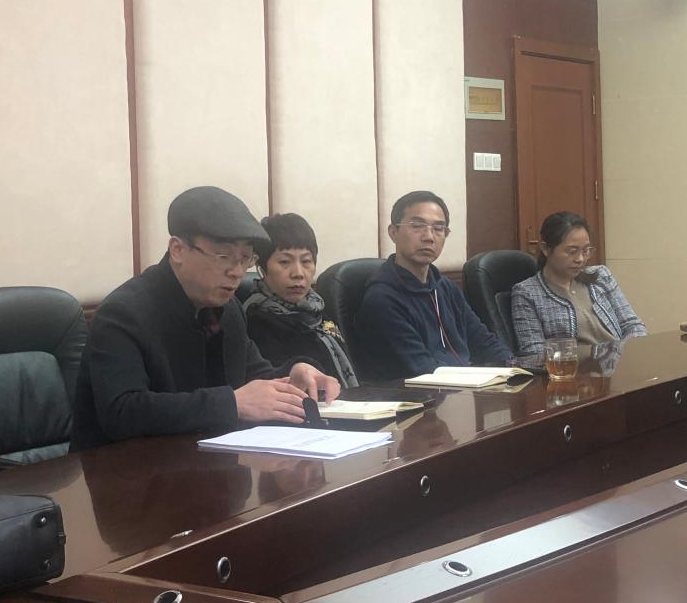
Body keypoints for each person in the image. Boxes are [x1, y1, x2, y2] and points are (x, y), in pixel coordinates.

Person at [71, 186, 341, 451]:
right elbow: (122, 412)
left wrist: (292, 375)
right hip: (124, 469)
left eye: (245, 258)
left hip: (207, 461)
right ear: (177, 250)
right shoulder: (123, 313)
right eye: (224, 256)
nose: (237, 272)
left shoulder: (228, 309)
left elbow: (253, 375)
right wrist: (231, 404)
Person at [356, 190, 512, 379]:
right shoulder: (382, 298)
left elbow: (484, 341)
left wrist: (512, 369)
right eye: (417, 226)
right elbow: (422, 369)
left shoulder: (445, 287)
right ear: (393, 232)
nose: (429, 237)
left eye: (438, 228)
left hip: (461, 387)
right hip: (417, 393)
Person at [242, 213, 359, 388]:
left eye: (306, 261)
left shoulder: (317, 311)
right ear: (262, 268)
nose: (298, 273)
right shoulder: (256, 320)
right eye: (284, 262)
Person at [511, 211, 646, 355]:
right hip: (574, 367)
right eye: (572, 251)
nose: (580, 259)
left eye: (586, 250)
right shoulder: (527, 293)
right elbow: (534, 353)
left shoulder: (601, 276)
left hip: (620, 361)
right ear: (545, 248)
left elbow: (633, 325)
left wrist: (625, 353)